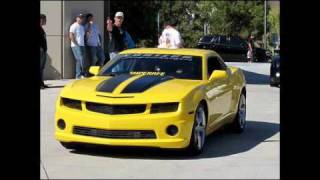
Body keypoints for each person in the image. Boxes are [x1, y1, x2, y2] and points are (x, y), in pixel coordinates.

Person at [69, 14, 86, 79]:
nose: (81, 19)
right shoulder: (73, 26)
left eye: (82, 18)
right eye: (79, 18)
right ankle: (79, 75)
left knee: (81, 60)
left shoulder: (82, 27)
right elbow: (71, 35)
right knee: (79, 59)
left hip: (82, 45)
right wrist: (76, 44)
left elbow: (83, 36)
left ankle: (80, 75)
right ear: (76, 18)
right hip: (76, 45)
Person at [40, 14, 49, 89]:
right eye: (45, 19)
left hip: (43, 51)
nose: (46, 21)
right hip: (40, 51)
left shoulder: (41, 28)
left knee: (41, 68)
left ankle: (41, 83)